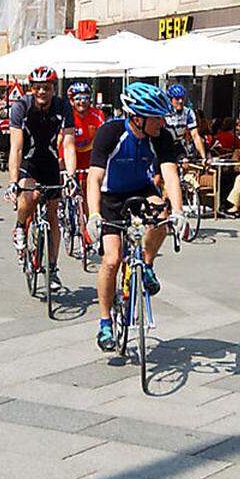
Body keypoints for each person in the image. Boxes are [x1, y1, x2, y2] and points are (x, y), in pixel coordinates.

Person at [85, 82, 184, 352]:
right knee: (112, 259)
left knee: (162, 214)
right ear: (137, 118)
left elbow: (170, 174)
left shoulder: (161, 137)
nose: (162, 123)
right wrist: (93, 215)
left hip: (141, 190)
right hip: (111, 197)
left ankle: (147, 265)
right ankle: (105, 322)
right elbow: (94, 178)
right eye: (157, 117)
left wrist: (178, 211)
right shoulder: (110, 132)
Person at [6, 66, 78, 290]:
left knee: (54, 215)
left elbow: (68, 143)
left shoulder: (63, 106)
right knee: (30, 195)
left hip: (49, 160)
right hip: (28, 159)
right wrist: (12, 182)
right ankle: (20, 225)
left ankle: (53, 269)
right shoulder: (21, 107)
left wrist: (71, 176)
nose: (42, 92)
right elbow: (16, 147)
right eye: (37, 88)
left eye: (46, 88)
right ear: (31, 89)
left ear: (53, 89)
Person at [67, 81, 106, 173]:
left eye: (86, 98)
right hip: (70, 157)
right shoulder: (67, 114)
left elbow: (103, 138)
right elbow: (60, 141)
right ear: (71, 101)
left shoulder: (98, 114)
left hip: (90, 158)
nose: (83, 101)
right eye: (78, 98)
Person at [164, 84, 207, 161]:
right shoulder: (164, 112)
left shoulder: (188, 113)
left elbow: (195, 135)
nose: (180, 101)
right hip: (163, 145)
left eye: (182, 98)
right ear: (170, 100)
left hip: (177, 145)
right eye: (177, 99)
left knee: (185, 163)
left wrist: (204, 157)